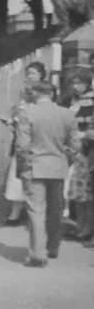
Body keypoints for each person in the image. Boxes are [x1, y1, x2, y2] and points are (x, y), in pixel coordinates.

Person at [17, 81, 81, 267]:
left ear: (35, 94)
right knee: (55, 210)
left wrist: (23, 166)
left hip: (35, 166)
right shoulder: (67, 114)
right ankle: (53, 247)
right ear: (52, 94)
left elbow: (22, 146)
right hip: (58, 166)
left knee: (36, 210)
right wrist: (66, 158)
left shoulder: (27, 113)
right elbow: (75, 145)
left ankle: (38, 253)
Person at [4, 63, 48, 226]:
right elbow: (16, 113)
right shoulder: (23, 95)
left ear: (42, 75)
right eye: (28, 73)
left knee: (37, 178)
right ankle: (15, 211)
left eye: (34, 73)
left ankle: (36, 212)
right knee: (18, 175)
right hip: (22, 141)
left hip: (38, 141)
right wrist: (12, 120)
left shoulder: (47, 93)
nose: (31, 76)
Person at [65, 71, 94, 241]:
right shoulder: (73, 100)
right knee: (78, 193)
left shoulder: (90, 100)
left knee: (87, 195)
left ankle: (87, 228)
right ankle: (81, 227)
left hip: (86, 150)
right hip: (75, 151)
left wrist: (81, 139)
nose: (75, 86)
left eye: (79, 83)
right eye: (73, 83)